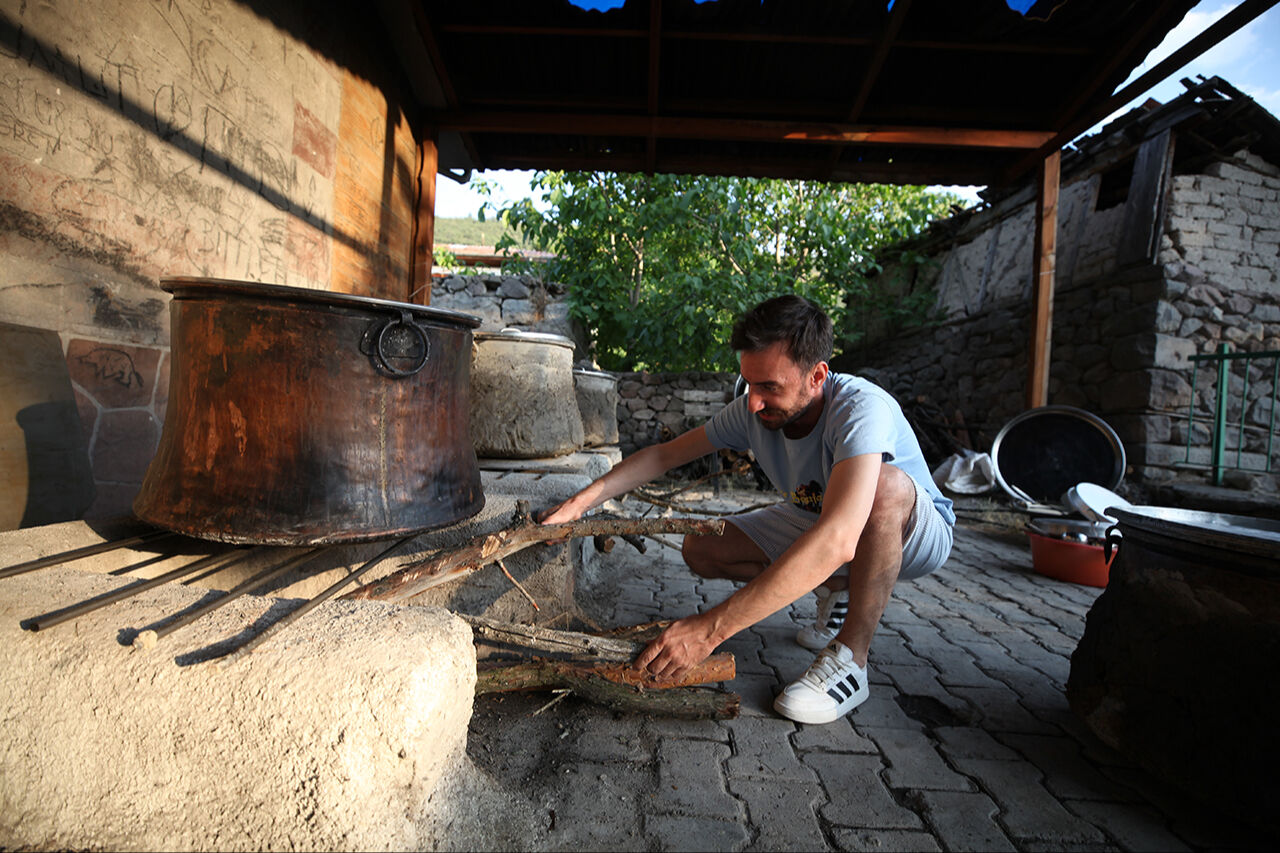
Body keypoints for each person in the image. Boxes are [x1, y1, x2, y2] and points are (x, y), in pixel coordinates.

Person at [540, 294, 955, 724]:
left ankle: (851, 658)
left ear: (817, 376)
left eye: (770, 387)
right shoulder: (751, 410)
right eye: (749, 384)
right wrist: (580, 503)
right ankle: (836, 588)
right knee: (701, 548)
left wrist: (710, 629)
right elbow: (664, 456)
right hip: (825, 521)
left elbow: (838, 536)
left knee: (882, 489)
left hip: (915, 532)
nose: (754, 402)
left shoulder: (860, 409)